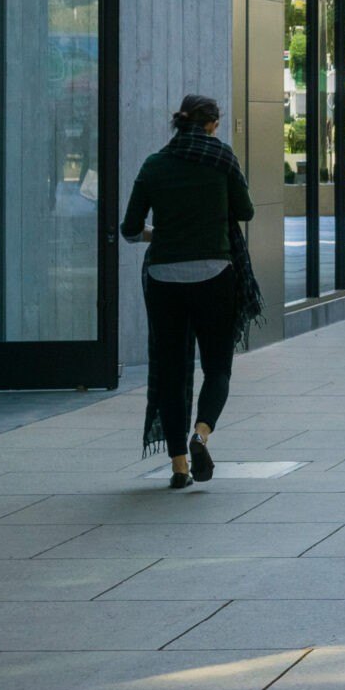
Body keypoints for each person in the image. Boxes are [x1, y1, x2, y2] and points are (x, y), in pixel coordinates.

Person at [122, 94, 258, 489]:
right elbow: (246, 211)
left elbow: (130, 229)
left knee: (170, 370)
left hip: (163, 278)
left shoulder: (154, 164)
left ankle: (179, 466)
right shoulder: (222, 159)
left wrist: (158, 234)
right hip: (216, 274)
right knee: (217, 367)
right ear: (213, 124)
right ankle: (200, 435)